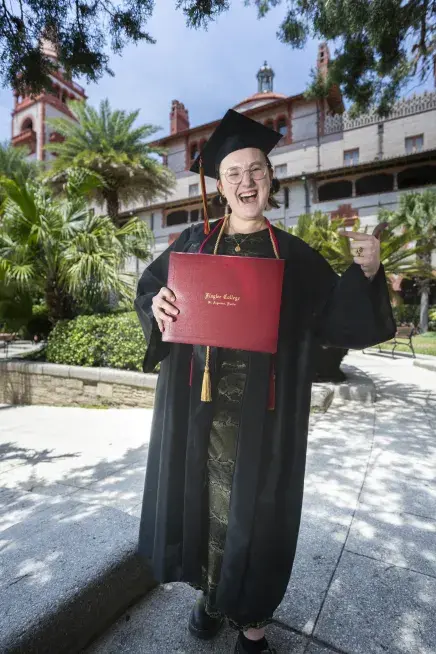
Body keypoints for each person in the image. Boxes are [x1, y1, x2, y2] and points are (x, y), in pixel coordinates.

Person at [135, 109, 396, 654]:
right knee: (203, 502)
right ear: (220, 184)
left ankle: (252, 619)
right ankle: (210, 596)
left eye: (257, 170)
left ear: (271, 179)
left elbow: (336, 319)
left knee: (256, 510)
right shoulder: (194, 241)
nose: (246, 181)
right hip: (197, 410)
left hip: (262, 416)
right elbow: (151, 291)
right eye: (234, 173)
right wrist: (156, 306)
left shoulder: (294, 257)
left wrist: (367, 275)